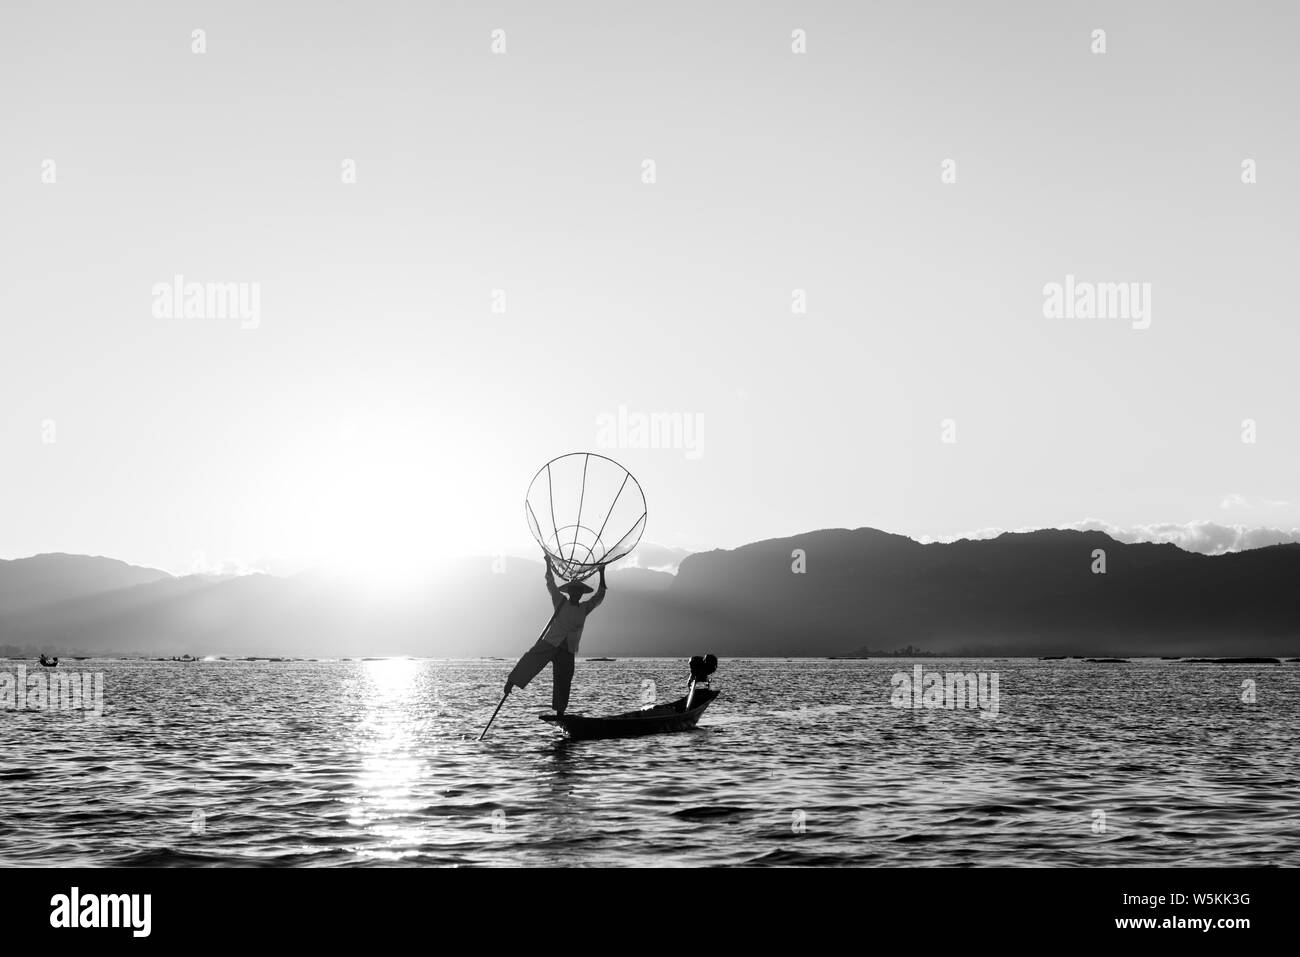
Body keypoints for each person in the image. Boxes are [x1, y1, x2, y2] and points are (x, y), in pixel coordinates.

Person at [504, 556, 607, 715]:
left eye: (578, 591)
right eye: (573, 591)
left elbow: (599, 596)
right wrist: (547, 564)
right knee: (531, 660)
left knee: (564, 681)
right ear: (570, 592)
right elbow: (550, 584)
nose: (576, 593)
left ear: (580, 594)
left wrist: (602, 573)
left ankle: (560, 712)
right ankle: (511, 683)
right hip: (551, 643)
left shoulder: (584, 608)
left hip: (568, 650)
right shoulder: (560, 601)